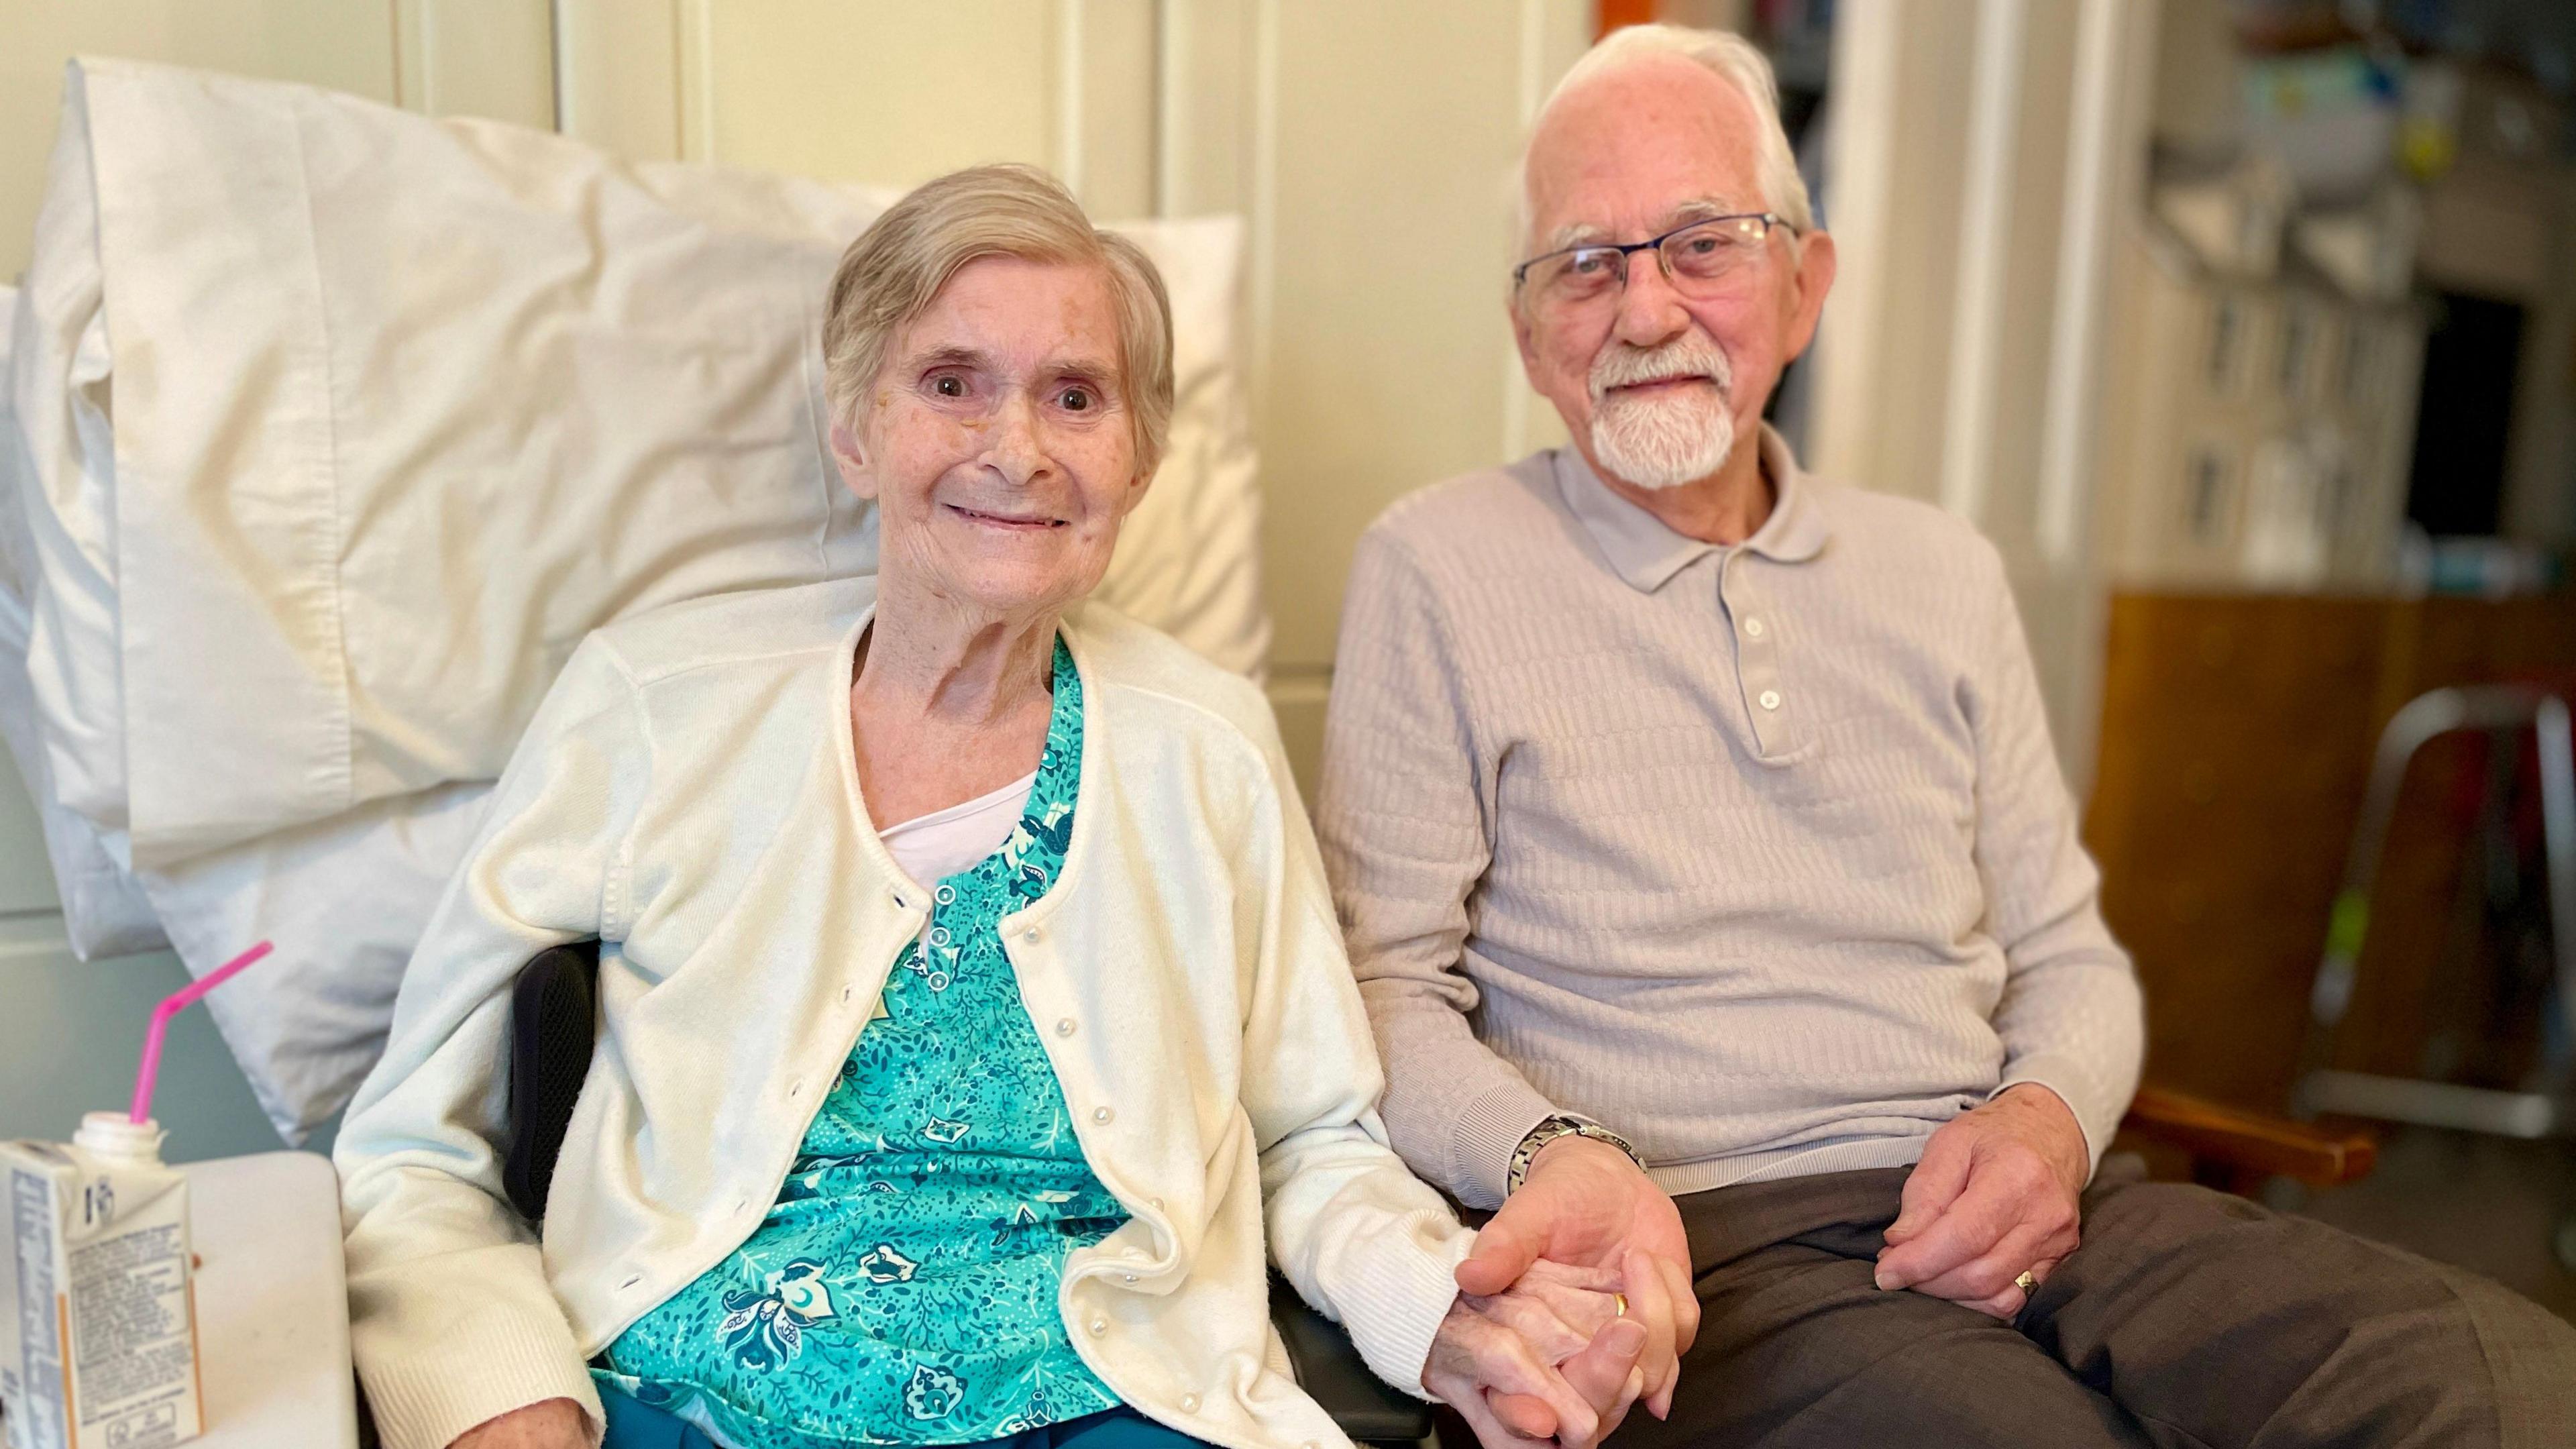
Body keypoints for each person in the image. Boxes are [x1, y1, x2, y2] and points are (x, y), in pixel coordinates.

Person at [1318, 23, 2576, 1449]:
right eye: (1587, 263)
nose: (1646, 308)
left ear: (1806, 286)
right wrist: (1554, 1154)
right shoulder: (1436, 565)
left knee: (2501, 1392)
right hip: (1707, 1247)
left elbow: (2066, 952)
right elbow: (1380, 992)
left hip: (2036, 1195)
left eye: (1701, 245)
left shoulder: (1942, 570)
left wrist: (2048, 1120)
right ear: (1529, 328)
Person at [336, 164, 1649, 1449]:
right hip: (687, 1395)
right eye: (951, 384)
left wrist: (1437, 1311)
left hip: (1107, 1397)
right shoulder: (648, 708)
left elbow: (1306, 1136)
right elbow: (412, 1153)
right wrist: (500, 1406)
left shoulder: (1209, 748)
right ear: (855, 428)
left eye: (1075, 396)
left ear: (1135, 460)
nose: (1016, 450)